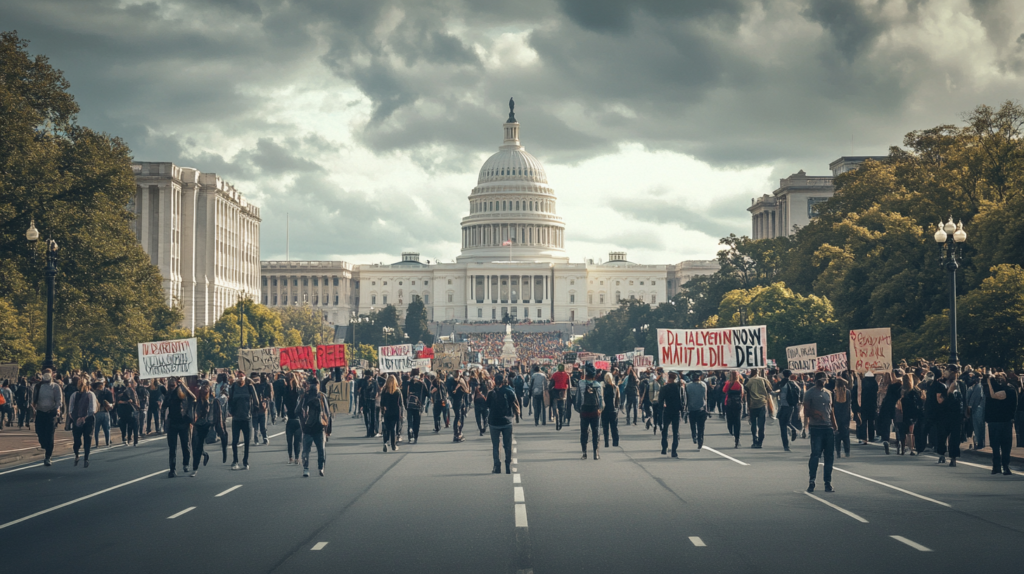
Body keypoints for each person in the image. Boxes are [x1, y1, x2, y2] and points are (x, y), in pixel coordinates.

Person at [804, 372, 838, 493]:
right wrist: (817, 414)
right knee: (815, 454)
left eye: (825, 379)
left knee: (829, 456)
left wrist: (835, 425)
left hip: (828, 428)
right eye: (822, 379)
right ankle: (812, 480)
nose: (823, 381)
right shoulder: (809, 393)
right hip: (816, 428)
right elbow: (806, 411)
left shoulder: (829, 393)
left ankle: (827, 482)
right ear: (816, 380)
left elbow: (831, 410)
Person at [984, 371, 1018, 475]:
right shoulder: (990, 388)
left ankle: (1005, 466)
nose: (998, 379)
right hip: (994, 421)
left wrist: (990, 381)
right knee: (995, 446)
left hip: (1005, 420)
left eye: (1000, 377)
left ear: (1006, 378)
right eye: (996, 377)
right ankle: (996, 466)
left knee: (1005, 446)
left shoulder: (1009, 389)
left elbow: (994, 396)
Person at [297, 376, 331, 477]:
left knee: (314, 450)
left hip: (314, 428)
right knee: (316, 450)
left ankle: (314, 467)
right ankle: (313, 468)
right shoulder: (307, 396)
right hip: (313, 428)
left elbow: (327, 413)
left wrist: (327, 428)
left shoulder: (320, 396)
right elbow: (327, 414)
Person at [486, 373, 520, 474]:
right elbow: (514, 403)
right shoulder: (509, 392)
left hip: (494, 422)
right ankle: (508, 465)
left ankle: (497, 466)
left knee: (496, 445)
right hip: (507, 421)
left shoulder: (491, 393)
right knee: (507, 444)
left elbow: (487, 405)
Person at [162, 378, 195, 478]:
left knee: (185, 445)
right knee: (172, 447)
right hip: (173, 423)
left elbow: (193, 397)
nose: (171, 387)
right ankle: (172, 469)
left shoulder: (182, 392)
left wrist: (183, 385)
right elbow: (164, 406)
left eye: (173, 385)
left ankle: (186, 463)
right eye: (170, 385)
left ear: (177, 384)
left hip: (183, 422)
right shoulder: (169, 395)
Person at [934, 365, 964, 466]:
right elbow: (939, 400)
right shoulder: (940, 384)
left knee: (955, 437)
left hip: (956, 414)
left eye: (946, 370)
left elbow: (964, 399)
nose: (944, 372)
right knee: (942, 435)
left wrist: (966, 413)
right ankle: (942, 454)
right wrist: (949, 392)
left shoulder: (960, 384)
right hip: (944, 413)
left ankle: (953, 458)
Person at [228, 372, 258, 470]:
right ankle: (235, 460)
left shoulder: (249, 387)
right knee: (235, 441)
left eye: (242, 376)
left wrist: (254, 410)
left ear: (245, 377)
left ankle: (245, 461)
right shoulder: (233, 388)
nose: (240, 378)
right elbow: (230, 401)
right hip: (236, 418)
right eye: (239, 376)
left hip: (247, 418)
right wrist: (231, 411)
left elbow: (255, 400)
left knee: (247, 441)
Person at [33, 370, 63, 466]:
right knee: (39, 431)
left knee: (50, 434)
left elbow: (59, 400)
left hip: (51, 413)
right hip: (40, 412)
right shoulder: (38, 387)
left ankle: (48, 456)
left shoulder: (55, 387)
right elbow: (34, 399)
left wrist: (57, 409)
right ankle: (44, 444)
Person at [67, 378, 97, 468]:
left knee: (87, 439)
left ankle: (86, 458)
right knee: (77, 440)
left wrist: (84, 417)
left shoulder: (91, 395)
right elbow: (70, 409)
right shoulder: (74, 395)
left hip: (88, 419)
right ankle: (77, 454)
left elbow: (93, 409)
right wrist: (76, 418)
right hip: (77, 419)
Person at [575, 364, 603, 460]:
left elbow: (578, 398)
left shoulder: (581, 383)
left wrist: (579, 409)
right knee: (596, 432)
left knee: (584, 432)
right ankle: (596, 453)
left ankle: (584, 453)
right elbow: (600, 399)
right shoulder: (598, 385)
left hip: (584, 411)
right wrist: (600, 409)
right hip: (595, 411)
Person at [658, 372, 685, 457]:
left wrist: (660, 411)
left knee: (665, 429)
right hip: (676, 411)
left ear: (668, 377)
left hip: (667, 410)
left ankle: (664, 447)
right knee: (675, 431)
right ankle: (674, 450)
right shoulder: (678, 388)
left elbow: (660, 401)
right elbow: (682, 400)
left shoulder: (664, 388)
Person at [775, 370, 801, 452]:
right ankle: (793, 429)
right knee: (787, 422)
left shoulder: (781, 383)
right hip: (791, 405)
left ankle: (786, 445)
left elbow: (776, 392)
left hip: (783, 406)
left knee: (783, 426)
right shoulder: (793, 383)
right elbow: (799, 390)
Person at [380, 375, 404, 452]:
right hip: (396, 411)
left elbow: (382, 402)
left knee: (386, 428)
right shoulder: (397, 391)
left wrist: (383, 409)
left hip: (387, 411)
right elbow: (400, 403)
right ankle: (393, 445)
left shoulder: (384, 391)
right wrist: (401, 414)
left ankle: (386, 442)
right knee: (393, 428)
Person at [686, 371, 708, 451]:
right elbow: (705, 397)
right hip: (701, 409)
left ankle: (694, 436)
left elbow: (686, 397)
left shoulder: (688, 386)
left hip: (691, 408)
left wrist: (686, 407)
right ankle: (700, 440)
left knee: (692, 424)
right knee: (701, 427)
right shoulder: (703, 385)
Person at [283, 374, 302, 464]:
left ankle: (290, 457)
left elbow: (284, 403)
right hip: (298, 419)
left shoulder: (286, 392)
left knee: (289, 441)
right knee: (297, 441)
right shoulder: (298, 391)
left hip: (290, 419)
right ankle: (297, 458)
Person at [722, 371, 744, 448]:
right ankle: (737, 438)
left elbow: (724, 390)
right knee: (737, 421)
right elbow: (742, 395)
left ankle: (731, 431)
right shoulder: (740, 385)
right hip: (737, 405)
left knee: (730, 420)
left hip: (729, 404)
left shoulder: (728, 383)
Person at [833, 375, 854, 457]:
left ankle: (838, 452)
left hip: (836, 415)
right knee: (846, 435)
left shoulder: (834, 393)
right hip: (846, 415)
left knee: (837, 435)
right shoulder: (848, 392)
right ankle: (847, 451)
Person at [115, 378, 140, 446]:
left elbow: (136, 400)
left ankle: (130, 439)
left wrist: (135, 404)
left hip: (130, 410)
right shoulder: (121, 391)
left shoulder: (132, 390)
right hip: (123, 411)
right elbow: (118, 401)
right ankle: (125, 438)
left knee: (131, 426)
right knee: (124, 426)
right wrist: (126, 401)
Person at [406, 371, 428, 444]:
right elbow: (427, 393)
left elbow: (404, 393)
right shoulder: (421, 384)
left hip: (409, 405)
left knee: (410, 420)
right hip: (418, 405)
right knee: (417, 421)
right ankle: (415, 436)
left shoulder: (408, 383)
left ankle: (410, 431)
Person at [600, 372, 620, 449]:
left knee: (605, 427)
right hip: (613, 410)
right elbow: (618, 399)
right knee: (614, 427)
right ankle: (615, 442)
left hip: (605, 410)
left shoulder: (603, 388)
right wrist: (617, 407)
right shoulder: (616, 387)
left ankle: (606, 442)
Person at [966, 374, 986, 450]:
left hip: (977, 408)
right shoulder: (977, 386)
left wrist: (969, 406)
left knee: (978, 427)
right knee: (978, 427)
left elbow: (974, 398)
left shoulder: (978, 387)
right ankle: (980, 442)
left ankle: (980, 443)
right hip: (978, 408)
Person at [93, 378, 113, 447]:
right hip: (105, 411)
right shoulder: (107, 392)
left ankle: (97, 443)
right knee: (107, 428)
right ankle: (108, 442)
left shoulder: (94, 393)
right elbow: (111, 402)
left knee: (96, 429)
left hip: (97, 412)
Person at [253, 374, 273, 445]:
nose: (256, 381)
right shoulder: (251, 387)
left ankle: (264, 438)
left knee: (263, 425)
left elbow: (269, 396)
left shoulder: (264, 386)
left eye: (257, 379)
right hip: (255, 409)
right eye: (254, 380)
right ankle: (256, 439)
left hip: (262, 409)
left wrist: (265, 401)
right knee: (255, 426)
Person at [550, 364, 570, 430]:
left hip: (556, 391)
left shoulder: (555, 374)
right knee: (563, 405)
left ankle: (553, 410)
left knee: (553, 400)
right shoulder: (567, 375)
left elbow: (551, 384)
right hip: (564, 392)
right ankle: (562, 415)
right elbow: (569, 385)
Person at [451, 374, 468, 442]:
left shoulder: (452, 383)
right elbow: (467, 391)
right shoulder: (459, 384)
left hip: (456, 402)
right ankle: (458, 434)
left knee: (458, 417)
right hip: (459, 402)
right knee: (459, 418)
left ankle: (457, 433)